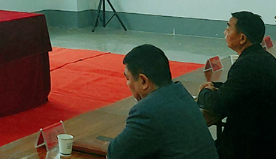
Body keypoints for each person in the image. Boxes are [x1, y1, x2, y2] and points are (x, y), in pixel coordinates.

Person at [107, 44, 218, 159]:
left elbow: (115, 154)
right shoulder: (180, 92)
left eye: (128, 78)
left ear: (143, 81)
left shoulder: (147, 111)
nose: (127, 84)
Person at [198, 11, 276, 159]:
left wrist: (205, 92)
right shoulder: (264, 58)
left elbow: (217, 104)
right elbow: (242, 87)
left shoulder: (246, 65)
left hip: (248, 147)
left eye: (228, 28)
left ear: (242, 38)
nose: (225, 32)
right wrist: (216, 85)